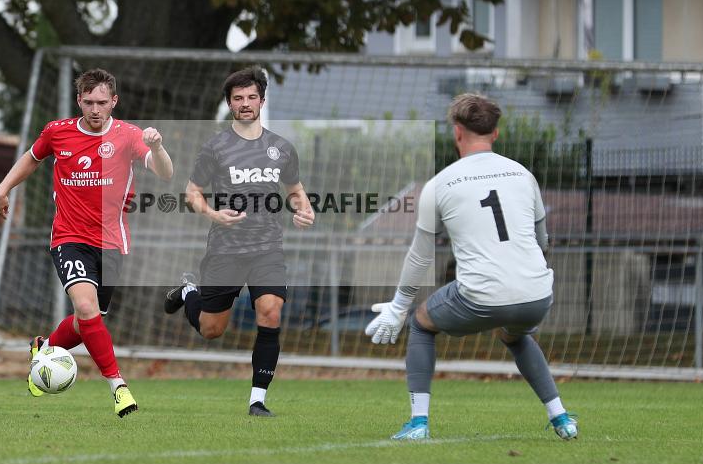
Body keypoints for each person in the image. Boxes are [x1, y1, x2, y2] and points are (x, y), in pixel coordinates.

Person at [365, 93, 577, 441]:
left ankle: (418, 423)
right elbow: (543, 242)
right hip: (537, 293)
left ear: (457, 132)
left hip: (482, 295)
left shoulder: (440, 184)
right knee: (515, 335)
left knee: (421, 324)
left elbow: (420, 256)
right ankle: (561, 418)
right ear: (495, 134)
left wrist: (399, 306)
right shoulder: (524, 175)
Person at [0, 68, 173, 418]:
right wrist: (3, 188)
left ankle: (43, 348)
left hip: (111, 244)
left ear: (114, 102)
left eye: (102, 103)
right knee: (87, 309)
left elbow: (165, 172)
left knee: (85, 321)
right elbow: (32, 158)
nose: (94, 109)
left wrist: (158, 146)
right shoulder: (57, 132)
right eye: (88, 102)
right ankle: (118, 387)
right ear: (79, 100)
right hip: (69, 238)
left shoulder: (128, 135)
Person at [164, 66, 314, 417]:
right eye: (238, 99)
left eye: (251, 97)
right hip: (225, 250)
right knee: (212, 330)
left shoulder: (281, 148)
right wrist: (214, 214)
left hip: (267, 248)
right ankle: (189, 292)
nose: (245, 104)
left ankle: (257, 400)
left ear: (262, 100)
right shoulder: (215, 148)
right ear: (229, 104)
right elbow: (192, 193)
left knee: (271, 311)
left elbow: (294, 190)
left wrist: (304, 210)